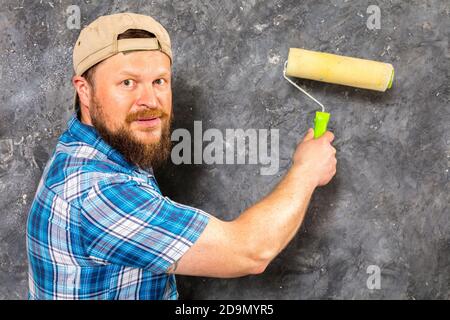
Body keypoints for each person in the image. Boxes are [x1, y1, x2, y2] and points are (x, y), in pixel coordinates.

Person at [26, 13, 337, 300]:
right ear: (85, 91)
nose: (149, 100)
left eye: (159, 81)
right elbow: (250, 252)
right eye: (127, 83)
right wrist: (306, 170)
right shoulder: (96, 191)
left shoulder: (103, 145)